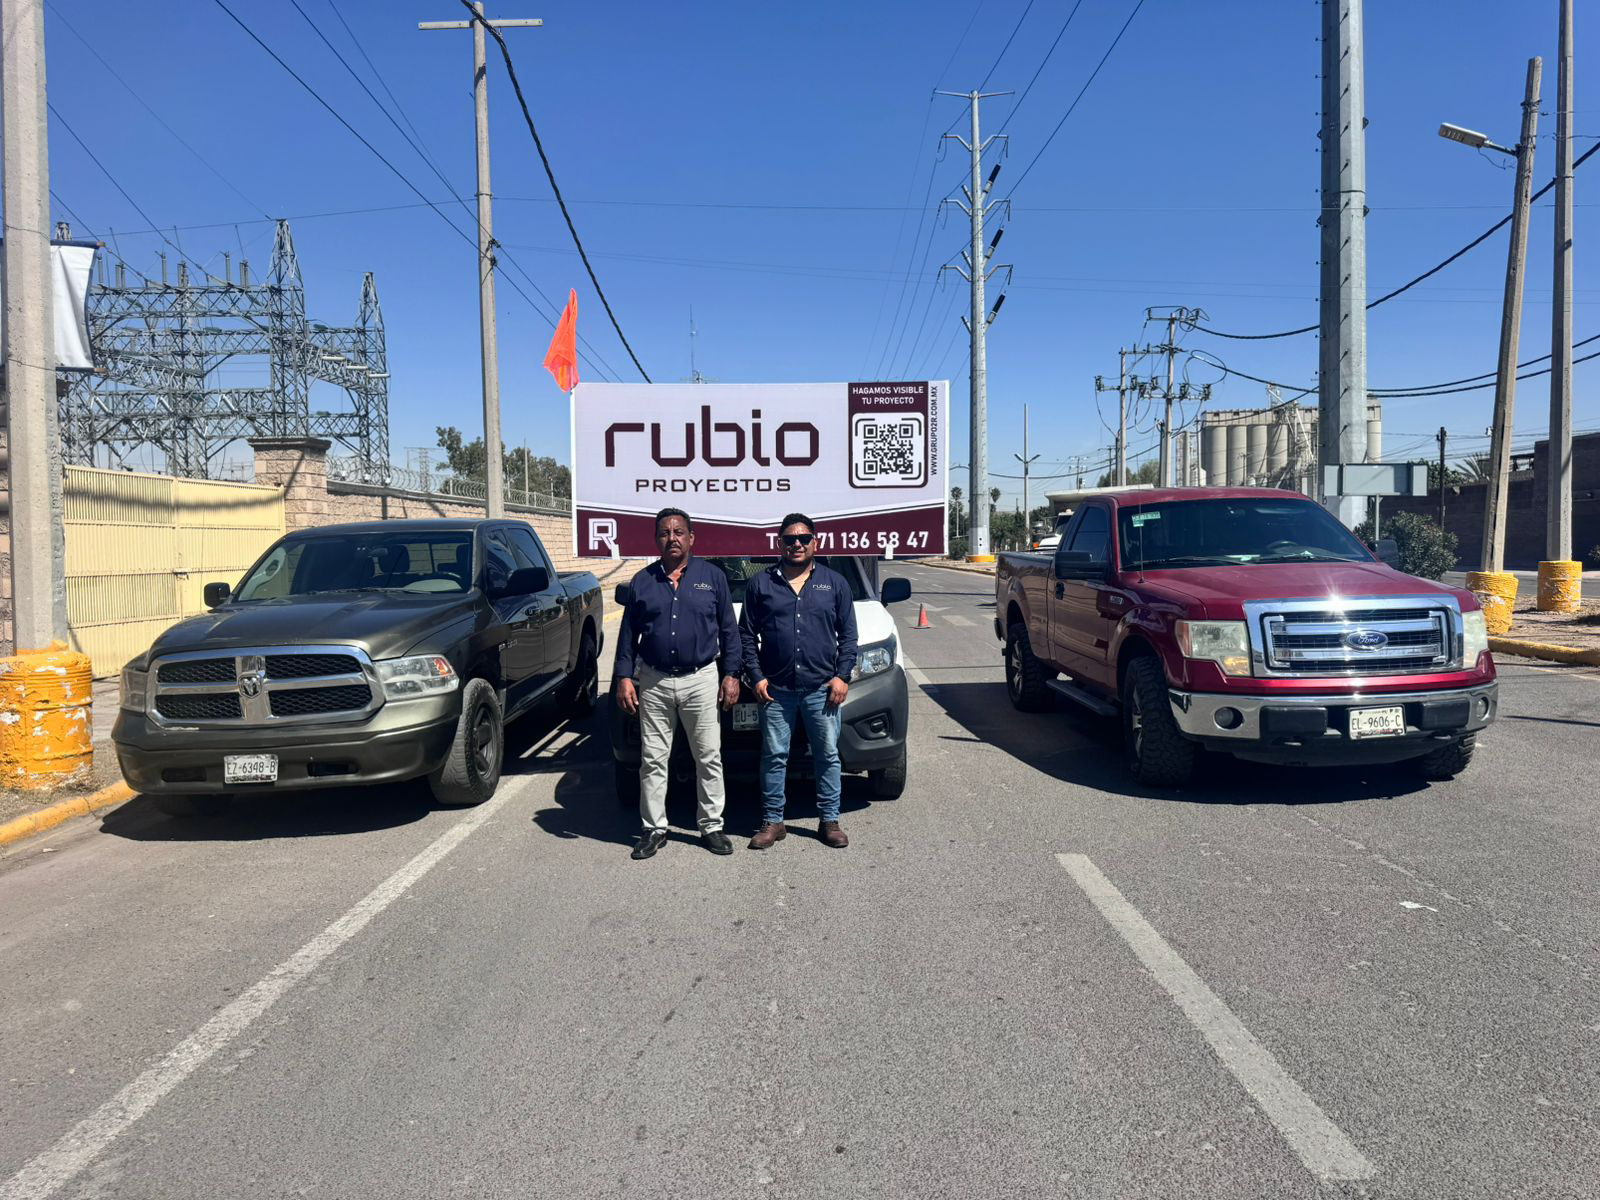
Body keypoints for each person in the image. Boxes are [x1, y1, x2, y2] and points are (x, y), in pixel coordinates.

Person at [614, 508, 741, 860]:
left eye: (679, 532)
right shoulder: (643, 581)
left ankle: (712, 825)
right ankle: (654, 828)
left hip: (701, 679)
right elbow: (627, 637)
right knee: (653, 759)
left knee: (708, 756)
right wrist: (624, 677)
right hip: (653, 681)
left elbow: (729, 631)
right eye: (665, 533)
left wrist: (731, 674)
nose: (672, 538)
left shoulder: (712, 578)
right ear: (657, 540)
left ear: (691, 538)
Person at [738, 513, 858, 850]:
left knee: (827, 755)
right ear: (780, 543)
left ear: (815, 543)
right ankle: (773, 822)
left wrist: (842, 676)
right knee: (774, 755)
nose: (797, 544)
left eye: (804, 538)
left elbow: (848, 636)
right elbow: (746, 634)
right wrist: (756, 676)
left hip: (822, 688)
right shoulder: (761, 584)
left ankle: (829, 820)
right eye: (790, 539)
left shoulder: (835, 583)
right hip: (775, 690)